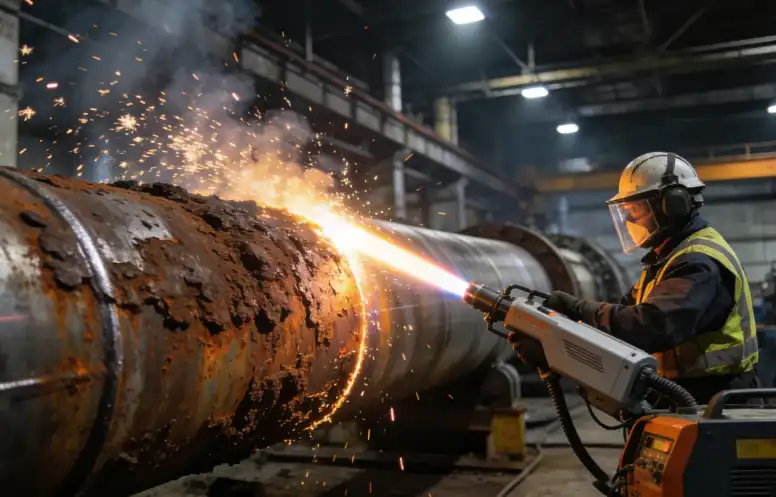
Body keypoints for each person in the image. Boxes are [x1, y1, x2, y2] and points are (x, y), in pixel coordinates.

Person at [546, 152, 759, 404]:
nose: (628, 219)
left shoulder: (697, 261)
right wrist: (562, 328)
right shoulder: (668, 257)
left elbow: (650, 325)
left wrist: (579, 309)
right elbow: (626, 313)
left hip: (717, 399)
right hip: (690, 394)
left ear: (672, 204)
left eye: (635, 209)